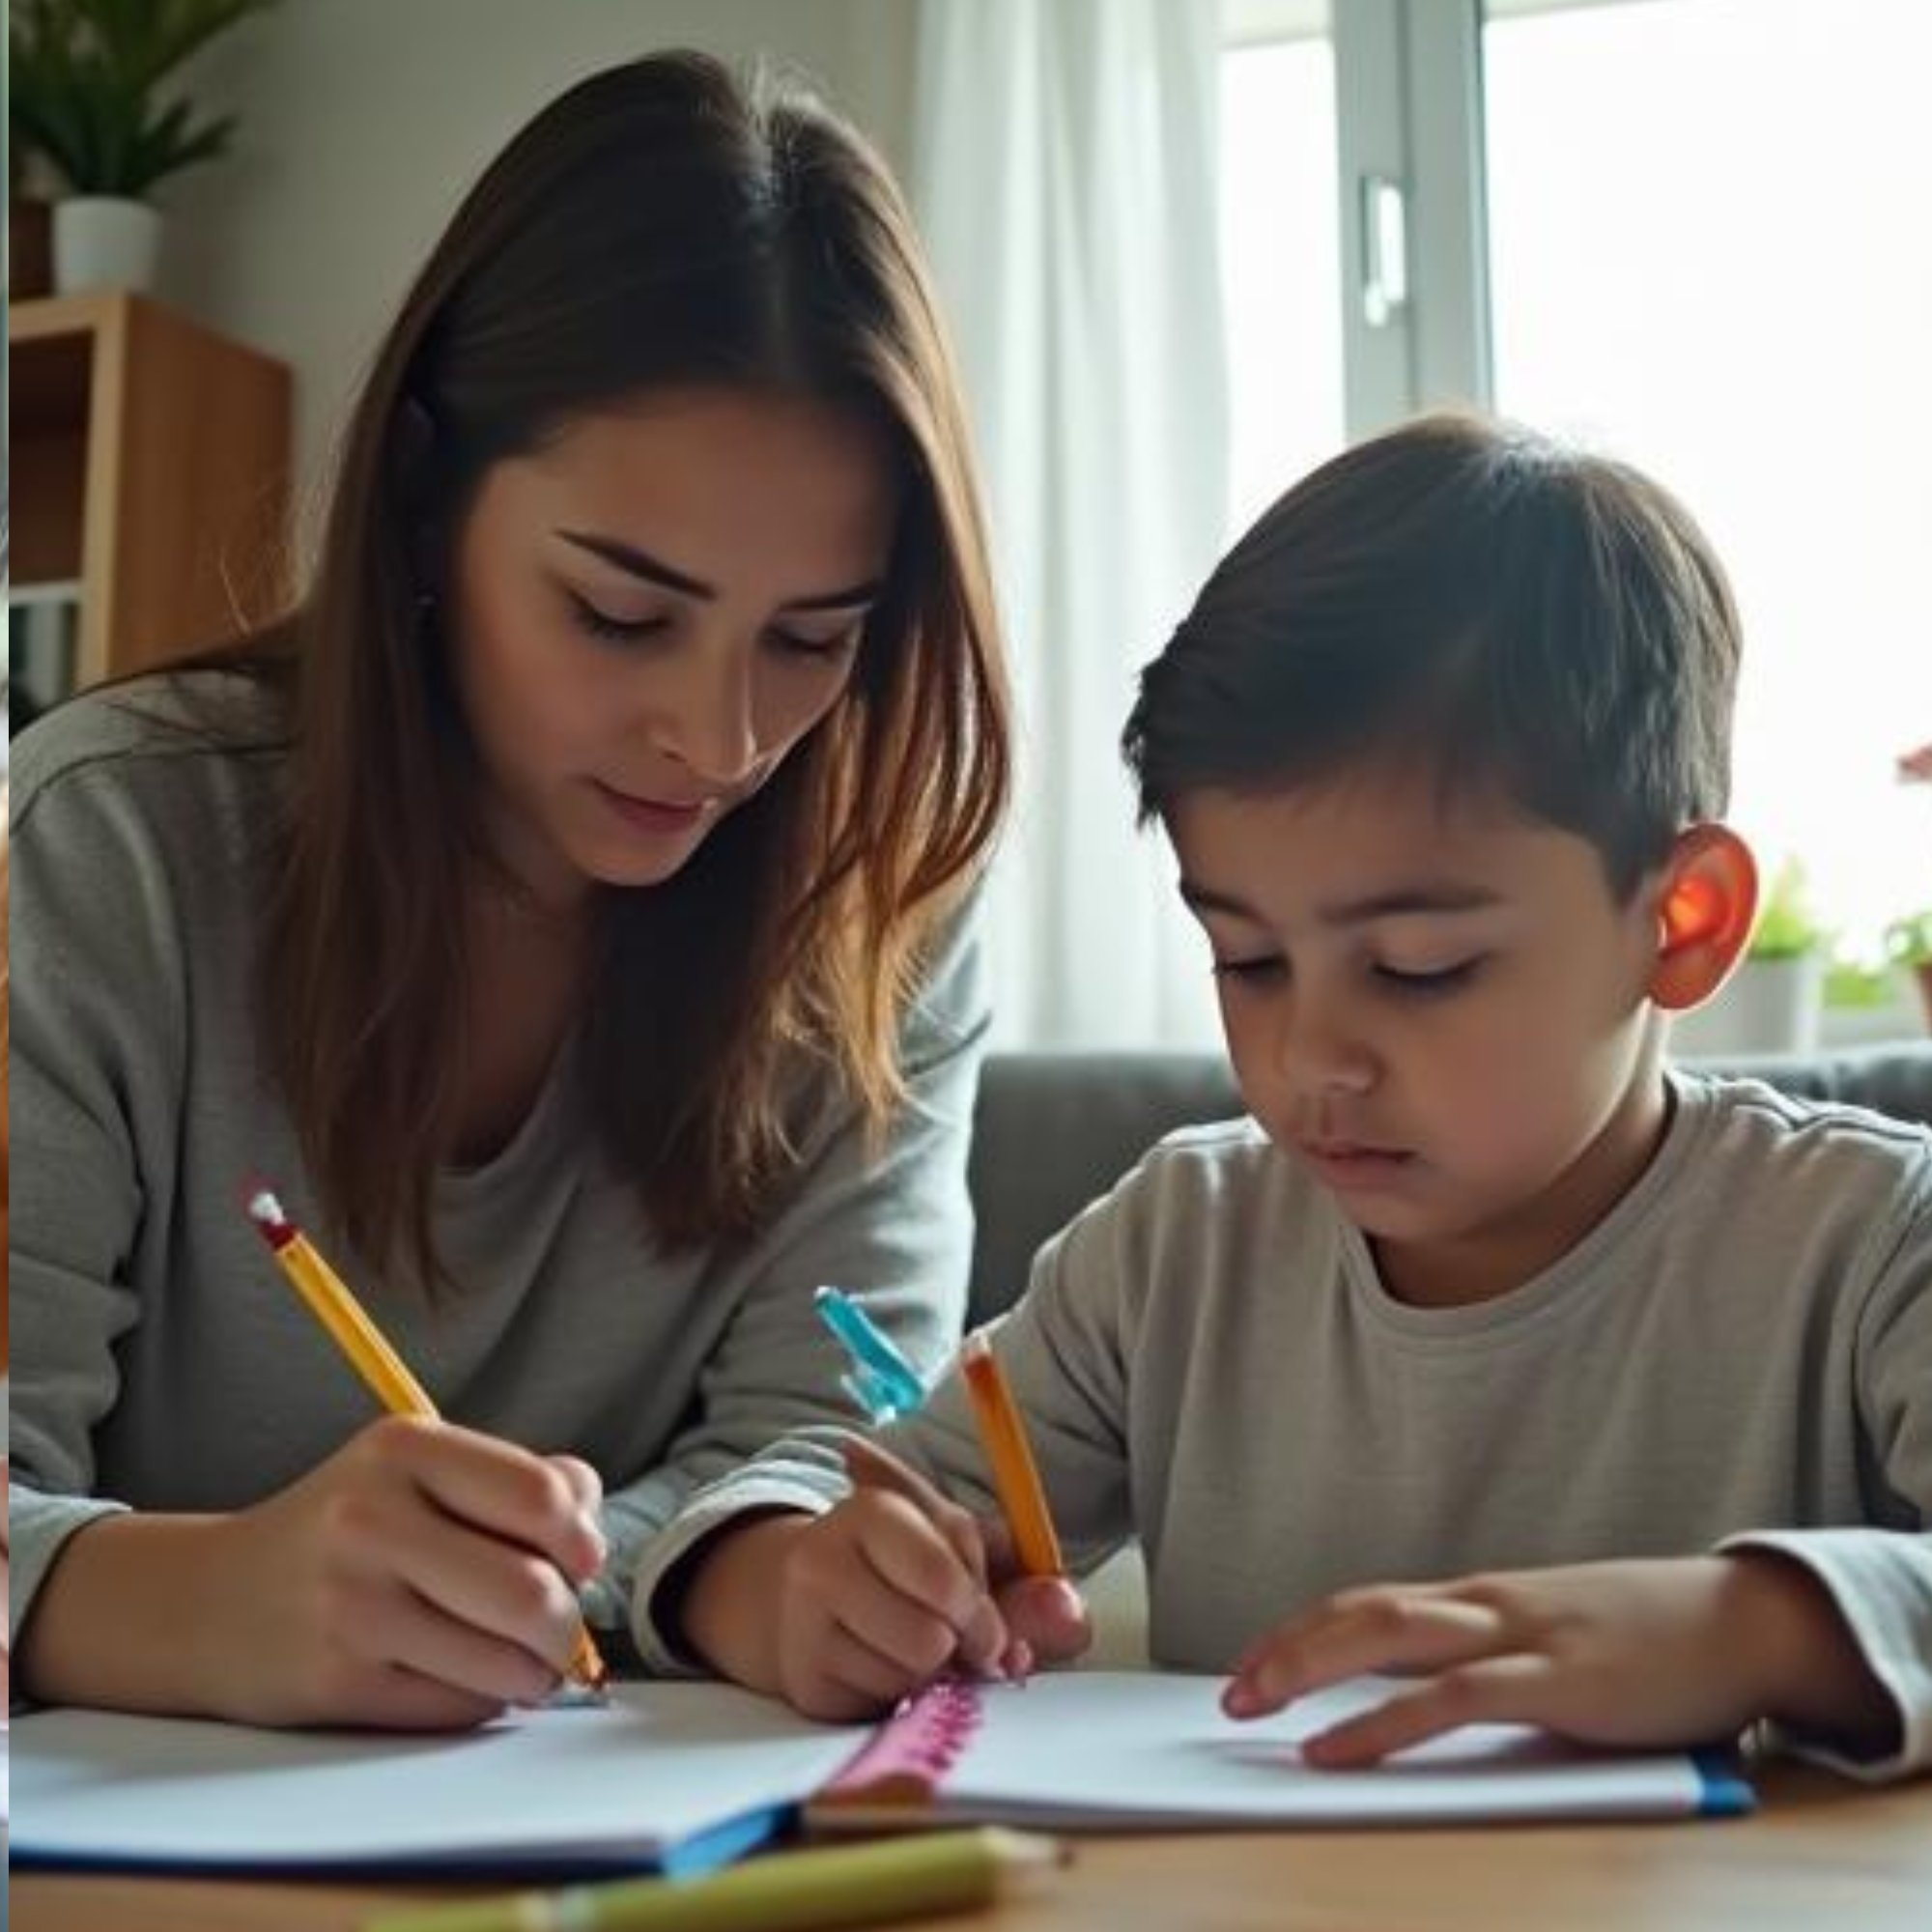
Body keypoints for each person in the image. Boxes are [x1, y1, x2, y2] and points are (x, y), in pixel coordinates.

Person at [649, 412, 1932, 1781]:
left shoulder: (1866, 1245)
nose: (1309, 1059)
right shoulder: (1176, 1254)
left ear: (1679, 918)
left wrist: (1763, 1626)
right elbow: (826, 1495)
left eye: (1417, 967)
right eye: (1247, 960)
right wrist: (785, 1582)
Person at [9, 50, 1011, 1730]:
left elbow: (817, 1452)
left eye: (814, 638)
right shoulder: (107, 845)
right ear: (420, 499)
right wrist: (199, 1596)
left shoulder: (875, 900)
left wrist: (755, 1569)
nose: (723, 737)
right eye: (622, 616)